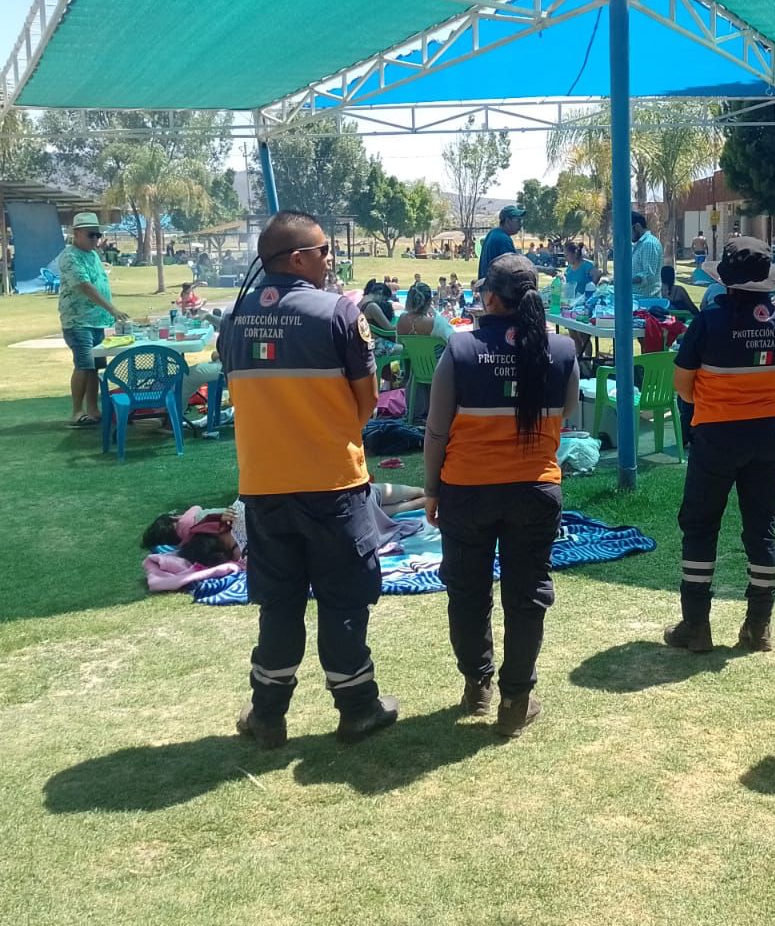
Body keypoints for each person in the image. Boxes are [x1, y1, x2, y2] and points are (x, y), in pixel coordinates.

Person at [223, 211, 399, 749]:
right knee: (344, 598)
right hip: (333, 485)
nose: (330, 260)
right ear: (298, 258)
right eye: (324, 251)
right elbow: (368, 402)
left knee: (279, 602)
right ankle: (357, 709)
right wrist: (329, 431)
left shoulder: (234, 318)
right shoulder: (339, 314)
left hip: (264, 486)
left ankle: (268, 715)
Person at [423, 254, 579, 737]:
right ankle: (516, 700)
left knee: (468, 592)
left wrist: (431, 490)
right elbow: (567, 412)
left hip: (466, 492)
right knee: (527, 595)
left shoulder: (461, 348)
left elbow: (436, 430)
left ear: (489, 297)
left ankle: (477, 686)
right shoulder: (562, 349)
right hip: (535, 491)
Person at [667, 238, 775, 652]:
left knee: (700, 525)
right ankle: (758, 627)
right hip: (772, 434)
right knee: (762, 527)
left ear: (725, 281)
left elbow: (683, 387)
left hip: (717, 435)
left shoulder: (708, 323)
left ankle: (696, 626)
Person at [57, 211, 132, 428]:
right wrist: (112, 309)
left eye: (97, 235)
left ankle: (92, 409)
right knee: (84, 365)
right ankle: (76, 411)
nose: (95, 239)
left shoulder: (93, 255)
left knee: (95, 366)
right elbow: (85, 286)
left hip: (97, 321)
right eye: (91, 235)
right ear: (77, 233)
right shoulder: (70, 257)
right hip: (78, 321)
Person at [478, 204, 525, 280]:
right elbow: (514, 269)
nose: (520, 224)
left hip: (486, 284)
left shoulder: (493, 233)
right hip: (497, 286)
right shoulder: (503, 239)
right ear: (507, 221)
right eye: (518, 220)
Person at [630, 210, 663, 300]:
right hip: (636, 296)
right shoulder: (640, 244)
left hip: (646, 299)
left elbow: (648, 275)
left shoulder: (649, 244)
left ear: (637, 227)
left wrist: (624, 281)